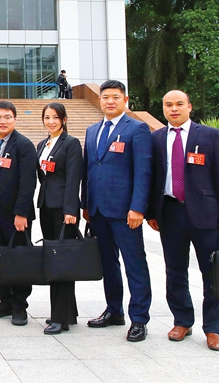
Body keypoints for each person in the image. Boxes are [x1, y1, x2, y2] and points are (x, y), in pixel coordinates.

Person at [147, 90, 219, 351]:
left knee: (212, 273)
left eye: (179, 104)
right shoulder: (156, 138)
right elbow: (152, 177)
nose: (173, 109)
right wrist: (151, 212)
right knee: (175, 271)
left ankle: (214, 328)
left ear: (189, 106)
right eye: (168, 105)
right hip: (170, 213)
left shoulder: (209, 135)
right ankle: (182, 321)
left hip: (207, 215)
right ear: (163, 108)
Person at [82, 79, 153, 342]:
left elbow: (143, 172)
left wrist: (137, 208)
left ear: (125, 100)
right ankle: (114, 311)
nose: (110, 101)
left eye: (115, 97)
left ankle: (139, 319)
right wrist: (85, 205)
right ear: (100, 100)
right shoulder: (92, 130)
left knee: (135, 264)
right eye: (105, 97)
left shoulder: (137, 129)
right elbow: (88, 169)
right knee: (108, 264)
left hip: (125, 212)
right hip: (98, 210)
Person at [0, 100, 38, 326]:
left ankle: (20, 305)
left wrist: (21, 213)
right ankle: (5, 301)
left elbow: (28, 182)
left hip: (15, 214)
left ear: (15, 119)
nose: (2, 121)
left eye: (7, 117)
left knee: (19, 258)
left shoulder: (24, 145)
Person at [35, 102, 83, 335]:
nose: (51, 121)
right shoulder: (42, 144)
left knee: (61, 262)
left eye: (55, 117)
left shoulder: (71, 143)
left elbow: (74, 179)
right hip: (46, 206)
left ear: (64, 120)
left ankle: (60, 318)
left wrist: (71, 210)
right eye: (47, 117)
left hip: (64, 210)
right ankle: (68, 312)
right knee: (54, 260)